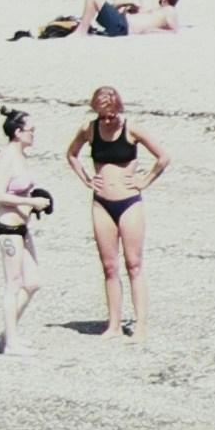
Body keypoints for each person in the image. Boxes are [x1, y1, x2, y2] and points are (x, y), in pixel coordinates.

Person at [68, 82, 165, 346]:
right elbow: (72, 155)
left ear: (118, 109)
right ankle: (114, 324)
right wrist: (87, 179)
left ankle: (140, 326)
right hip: (101, 203)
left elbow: (163, 157)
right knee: (109, 266)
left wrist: (145, 180)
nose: (108, 119)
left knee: (133, 264)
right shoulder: (89, 129)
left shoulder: (131, 128)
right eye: (103, 115)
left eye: (111, 114)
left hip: (129, 202)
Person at [0, 103, 56, 355]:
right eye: (30, 130)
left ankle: (8, 333)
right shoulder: (7, 156)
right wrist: (31, 202)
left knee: (33, 282)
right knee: (13, 283)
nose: (33, 134)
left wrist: (35, 204)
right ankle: (11, 342)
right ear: (18, 132)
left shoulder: (21, 156)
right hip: (8, 228)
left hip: (22, 228)